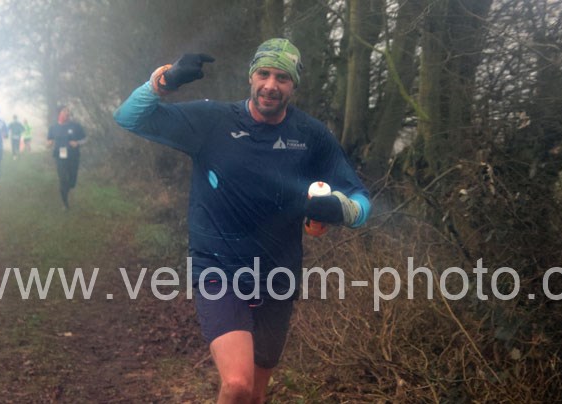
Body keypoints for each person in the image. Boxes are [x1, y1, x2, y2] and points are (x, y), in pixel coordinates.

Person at [113, 38, 371, 403]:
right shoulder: (213, 121)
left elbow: (361, 201)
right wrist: (164, 81)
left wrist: (341, 209)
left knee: (255, 395)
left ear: (293, 85)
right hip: (218, 267)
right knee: (237, 384)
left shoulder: (310, 136)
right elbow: (128, 117)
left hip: (278, 275)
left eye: (282, 77)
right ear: (251, 77)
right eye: (263, 74)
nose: (271, 85)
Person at [47, 106, 86, 210]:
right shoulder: (53, 127)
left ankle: (67, 188)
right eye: (65, 111)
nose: (67, 113)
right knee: (63, 179)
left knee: (72, 182)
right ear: (59, 113)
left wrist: (77, 143)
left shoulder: (76, 126)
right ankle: (65, 203)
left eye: (68, 111)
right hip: (60, 157)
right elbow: (49, 139)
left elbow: (85, 139)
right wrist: (49, 143)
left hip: (73, 156)